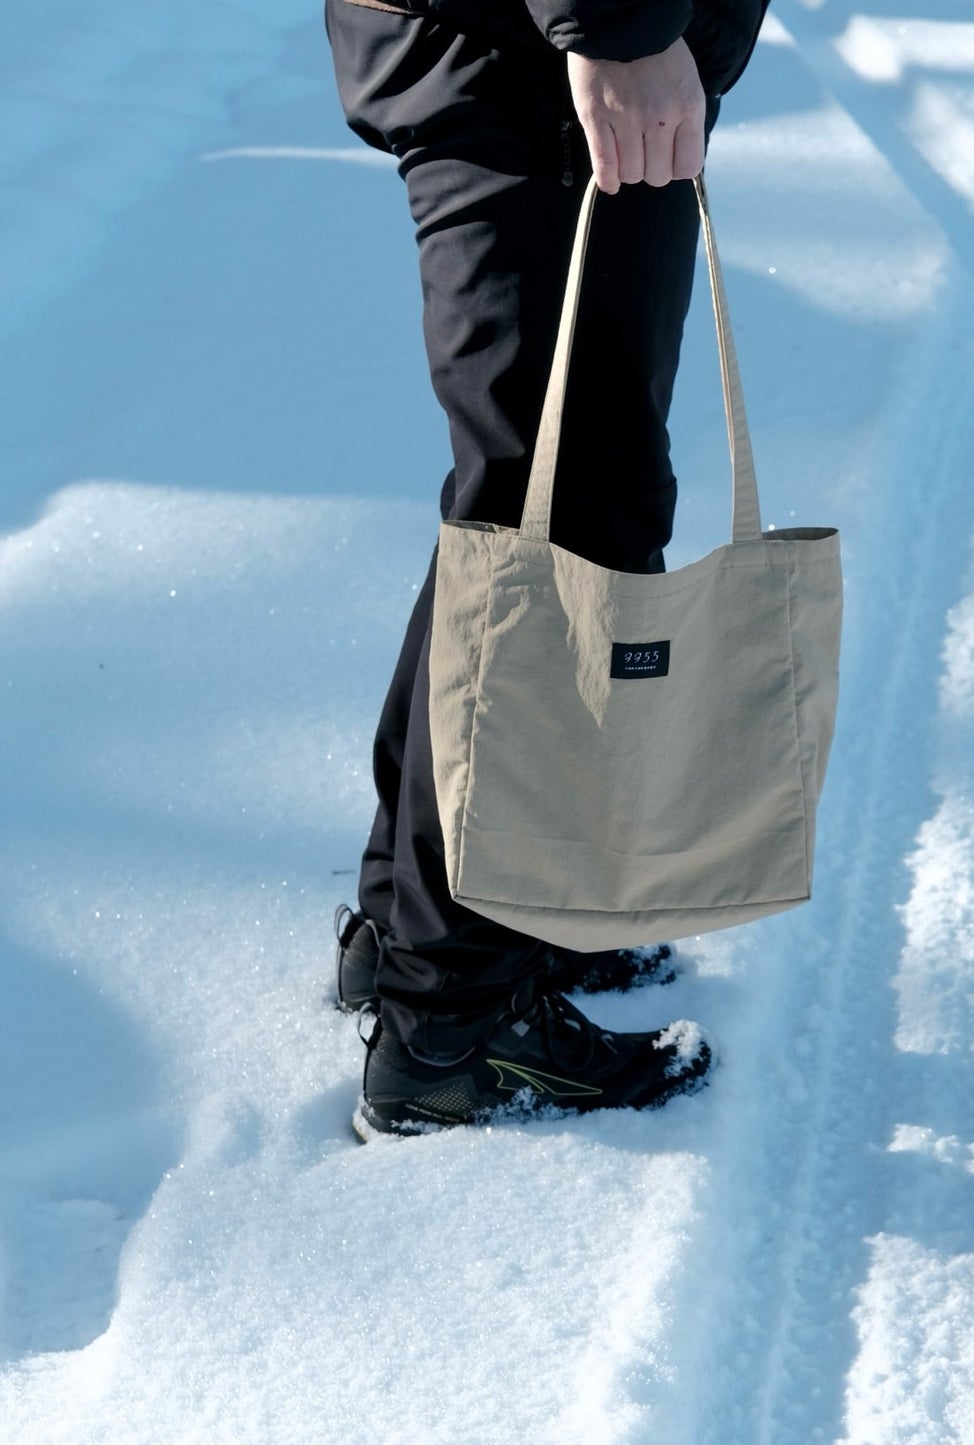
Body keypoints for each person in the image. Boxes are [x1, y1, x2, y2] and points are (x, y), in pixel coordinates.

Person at [323, 0, 767, 1137]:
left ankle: (420, 914)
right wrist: (614, 27)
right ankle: (450, 1021)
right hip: (538, 51)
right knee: (563, 512)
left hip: (527, 40)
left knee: (533, 504)